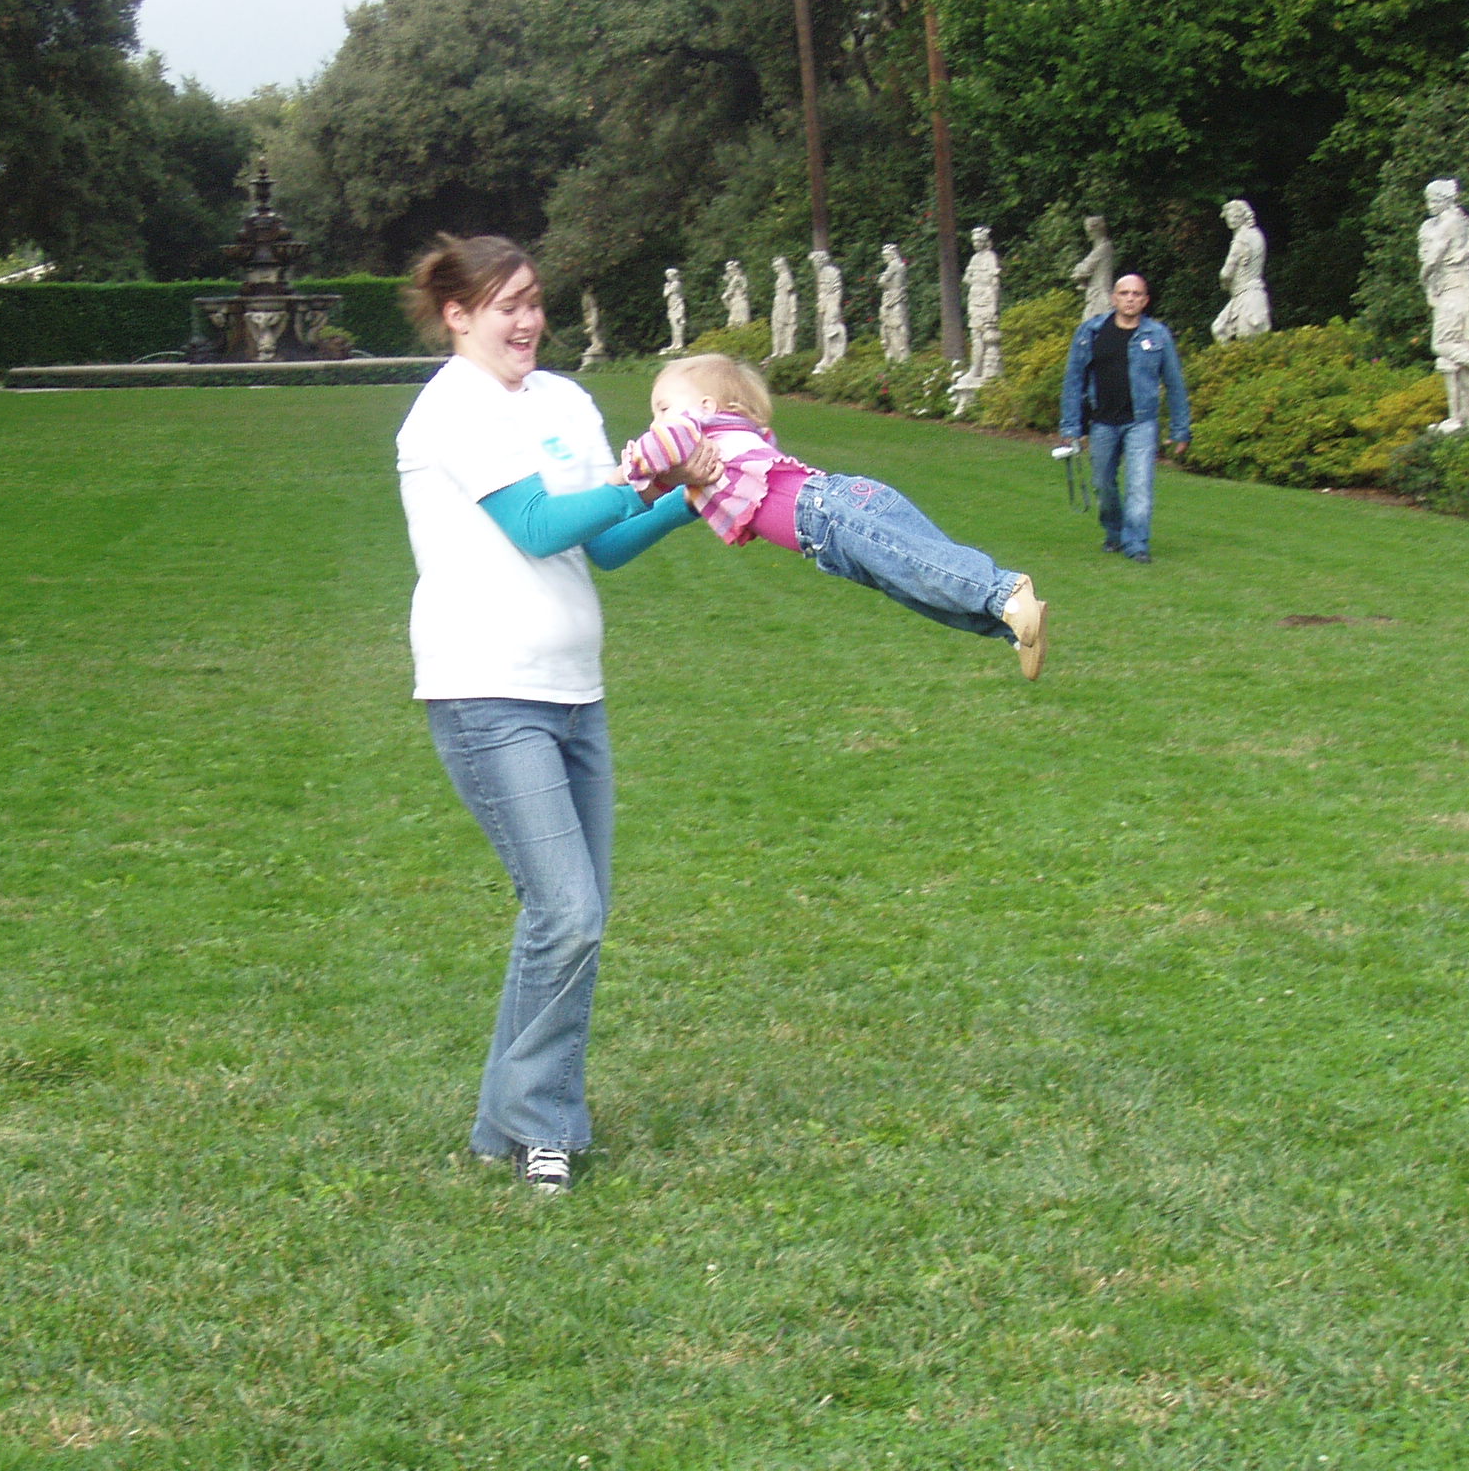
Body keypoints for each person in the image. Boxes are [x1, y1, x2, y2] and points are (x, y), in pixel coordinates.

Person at [394, 234, 715, 1194]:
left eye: (535, 300)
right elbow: (536, 527)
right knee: (567, 912)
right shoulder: (452, 407)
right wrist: (640, 475)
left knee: (574, 916)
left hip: (576, 688)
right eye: (507, 305)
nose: (528, 321)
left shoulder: (566, 402)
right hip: (485, 688)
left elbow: (601, 544)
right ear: (458, 315)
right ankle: (543, 1126)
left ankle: (503, 1123)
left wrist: (692, 498)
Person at [624, 354, 1047, 679]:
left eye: (662, 407)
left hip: (828, 511)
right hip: (827, 533)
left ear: (704, 405)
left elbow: (658, 448)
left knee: (919, 563)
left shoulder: (693, 429)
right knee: (911, 583)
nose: (656, 420)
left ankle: (1005, 593)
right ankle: (1010, 626)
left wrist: (627, 470)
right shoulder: (722, 435)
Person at [1058, 272, 1190, 564]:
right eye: (1124, 293)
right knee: (1103, 484)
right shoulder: (1091, 332)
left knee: (1139, 486)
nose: (1130, 299)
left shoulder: (1157, 335)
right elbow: (1074, 380)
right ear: (1113, 298)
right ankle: (1114, 533)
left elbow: (1175, 383)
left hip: (1141, 422)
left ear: (1145, 300)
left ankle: (1137, 544)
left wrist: (1180, 430)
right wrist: (1071, 425)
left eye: (1136, 294)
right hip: (1102, 422)